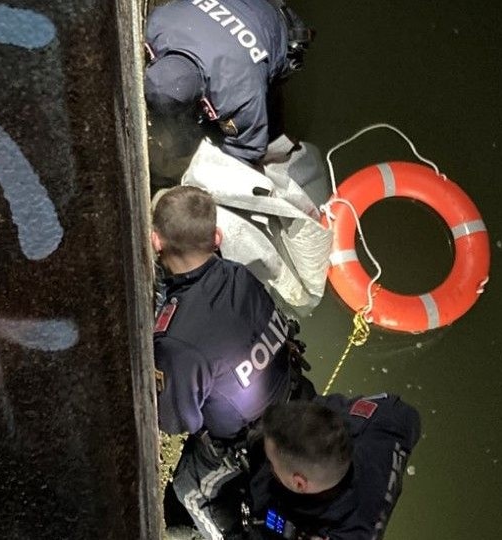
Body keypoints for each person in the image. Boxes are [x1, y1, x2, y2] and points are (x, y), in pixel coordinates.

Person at [152, 186, 313, 540]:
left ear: (155, 242)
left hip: (243, 445)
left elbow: (178, 421)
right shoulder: (240, 275)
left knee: (189, 492)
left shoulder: (176, 341)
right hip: (297, 400)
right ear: (217, 237)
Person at [143, 0, 313, 180]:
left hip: (284, 34)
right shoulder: (159, 24)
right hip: (244, 7)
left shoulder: (241, 92)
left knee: (266, 107)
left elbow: (243, 156)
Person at [243, 394, 421, 540]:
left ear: (299, 484)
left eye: (271, 462)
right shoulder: (386, 418)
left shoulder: (350, 530)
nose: (269, 465)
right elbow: (410, 417)